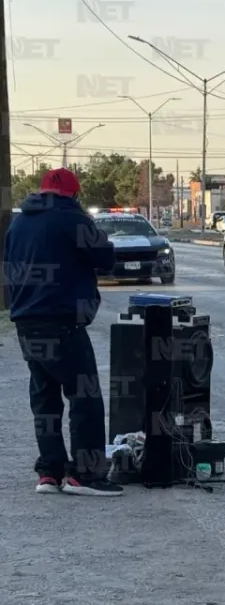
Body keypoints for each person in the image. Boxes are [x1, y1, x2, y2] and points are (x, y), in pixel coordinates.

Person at [2, 168, 123, 496]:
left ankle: (50, 472)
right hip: (63, 322)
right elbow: (106, 258)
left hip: (26, 323)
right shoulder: (72, 218)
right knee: (84, 397)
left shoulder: (19, 223)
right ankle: (85, 475)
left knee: (45, 399)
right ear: (73, 194)